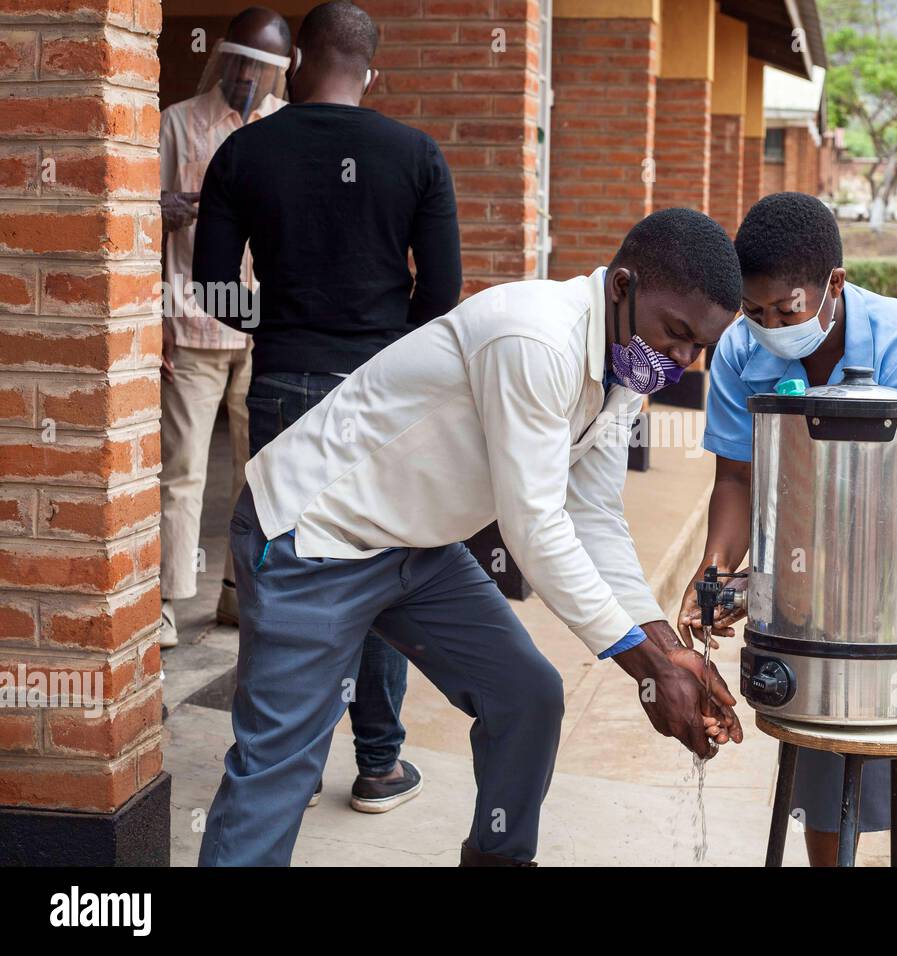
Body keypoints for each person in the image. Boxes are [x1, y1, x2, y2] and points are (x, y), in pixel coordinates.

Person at [193, 203, 747, 867]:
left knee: (527, 697)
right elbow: (534, 525)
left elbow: (593, 512)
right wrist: (646, 664)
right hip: (313, 537)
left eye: (699, 348)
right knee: (280, 765)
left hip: (415, 549)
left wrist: (665, 644)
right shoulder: (537, 338)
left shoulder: (624, 364)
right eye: (677, 334)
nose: (683, 361)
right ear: (623, 286)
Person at [677, 192, 897, 867]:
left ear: (835, 283)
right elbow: (738, 480)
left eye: (788, 309)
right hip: (808, 530)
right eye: (755, 310)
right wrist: (717, 571)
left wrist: (774, 579)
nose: (771, 325)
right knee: (822, 722)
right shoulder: (740, 353)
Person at [191, 1, 465, 814]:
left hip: (281, 388)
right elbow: (443, 296)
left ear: (299, 61)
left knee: (283, 575)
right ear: (370, 72)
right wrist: (385, 349)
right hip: (380, 398)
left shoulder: (244, 151)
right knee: (377, 566)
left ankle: (291, 768)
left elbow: (211, 288)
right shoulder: (416, 154)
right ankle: (378, 765)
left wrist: (279, 321)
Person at [157, 7, 290, 648]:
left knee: (256, 473)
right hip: (191, 319)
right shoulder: (178, 124)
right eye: (244, 63)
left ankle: (240, 596)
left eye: (268, 71)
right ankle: (164, 602)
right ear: (227, 56)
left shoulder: (282, 129)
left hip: (265, 332)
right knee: (182, 470)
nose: (252, 79)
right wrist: (164, 213)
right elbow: (136, 222)